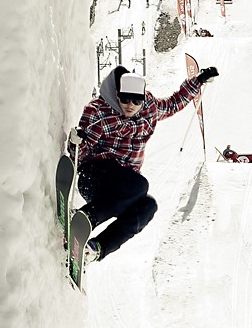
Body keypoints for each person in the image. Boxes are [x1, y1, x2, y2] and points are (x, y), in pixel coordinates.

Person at [76, 64, 218, 263]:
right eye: (124, 99)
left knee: (148, 206)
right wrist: (79, 141)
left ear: (144, 98)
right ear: (117, 94)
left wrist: (198, 81)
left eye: (136, 100)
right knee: (139, 185)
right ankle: (86, 218)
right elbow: (82, 154)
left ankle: (95, 249)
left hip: (124, 189)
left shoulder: (150, 108)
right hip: (95, 176)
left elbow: (173, 104)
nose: (130, 105)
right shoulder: (99, 110)